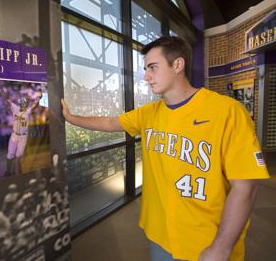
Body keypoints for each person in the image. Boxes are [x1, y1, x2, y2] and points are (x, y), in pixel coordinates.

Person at [61, 36, 269, 261]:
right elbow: (111, 122)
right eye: (145, 69)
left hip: (206, 242)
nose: (146, 76)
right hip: (160, 234)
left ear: (178, 65)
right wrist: (71, 118)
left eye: (152, 67)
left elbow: (246, 187)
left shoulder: (227, 111)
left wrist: (221, 247)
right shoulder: (148, 113)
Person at [2, 87, 42, 175]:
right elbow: (7, 100)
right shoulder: (15, 108)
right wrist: (2, 90)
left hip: (23, 136)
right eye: (22, 103)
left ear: (26, 104)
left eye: (25, 103)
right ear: (20, 103)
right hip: (14, 135)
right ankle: (8, 171)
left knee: (19, 155)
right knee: (10, 154)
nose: (23, 104)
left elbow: (34, 105)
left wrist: (39, 98)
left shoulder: (28, 111)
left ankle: (18, 172)